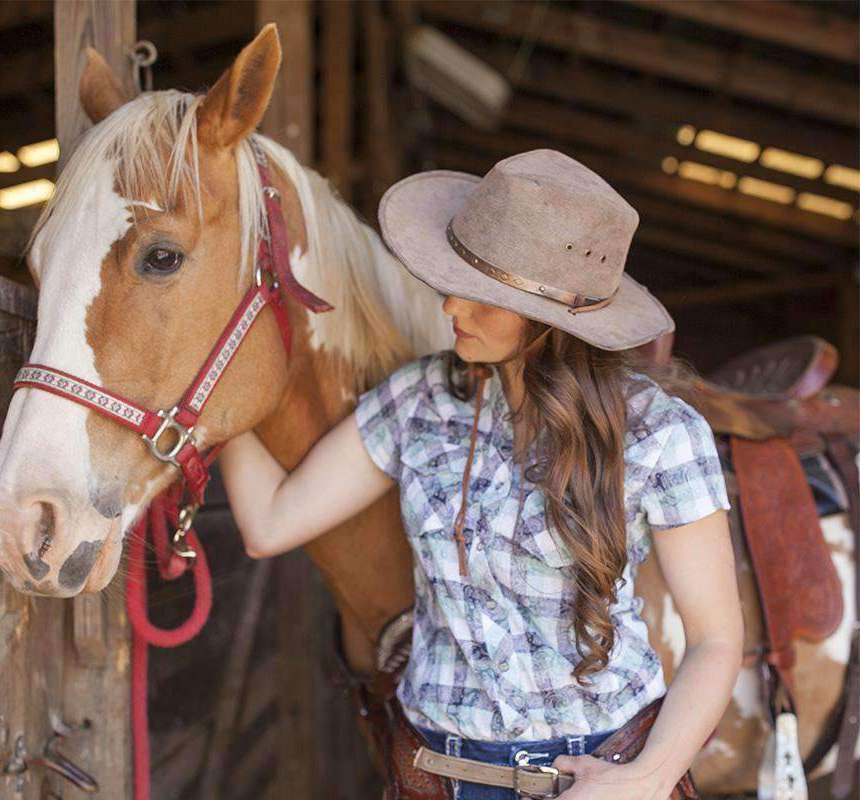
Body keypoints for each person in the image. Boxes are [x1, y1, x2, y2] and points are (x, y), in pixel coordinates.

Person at [219, 150, 743, 799]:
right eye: (454, 284)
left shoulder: (660, 434)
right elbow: (270, 523)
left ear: (553, 320)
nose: (451, 310)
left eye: (484, 298)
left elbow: (717, 640)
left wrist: (648, 777)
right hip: (435, 773)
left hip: (598, 772)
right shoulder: (419, 402)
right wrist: (227, 381)